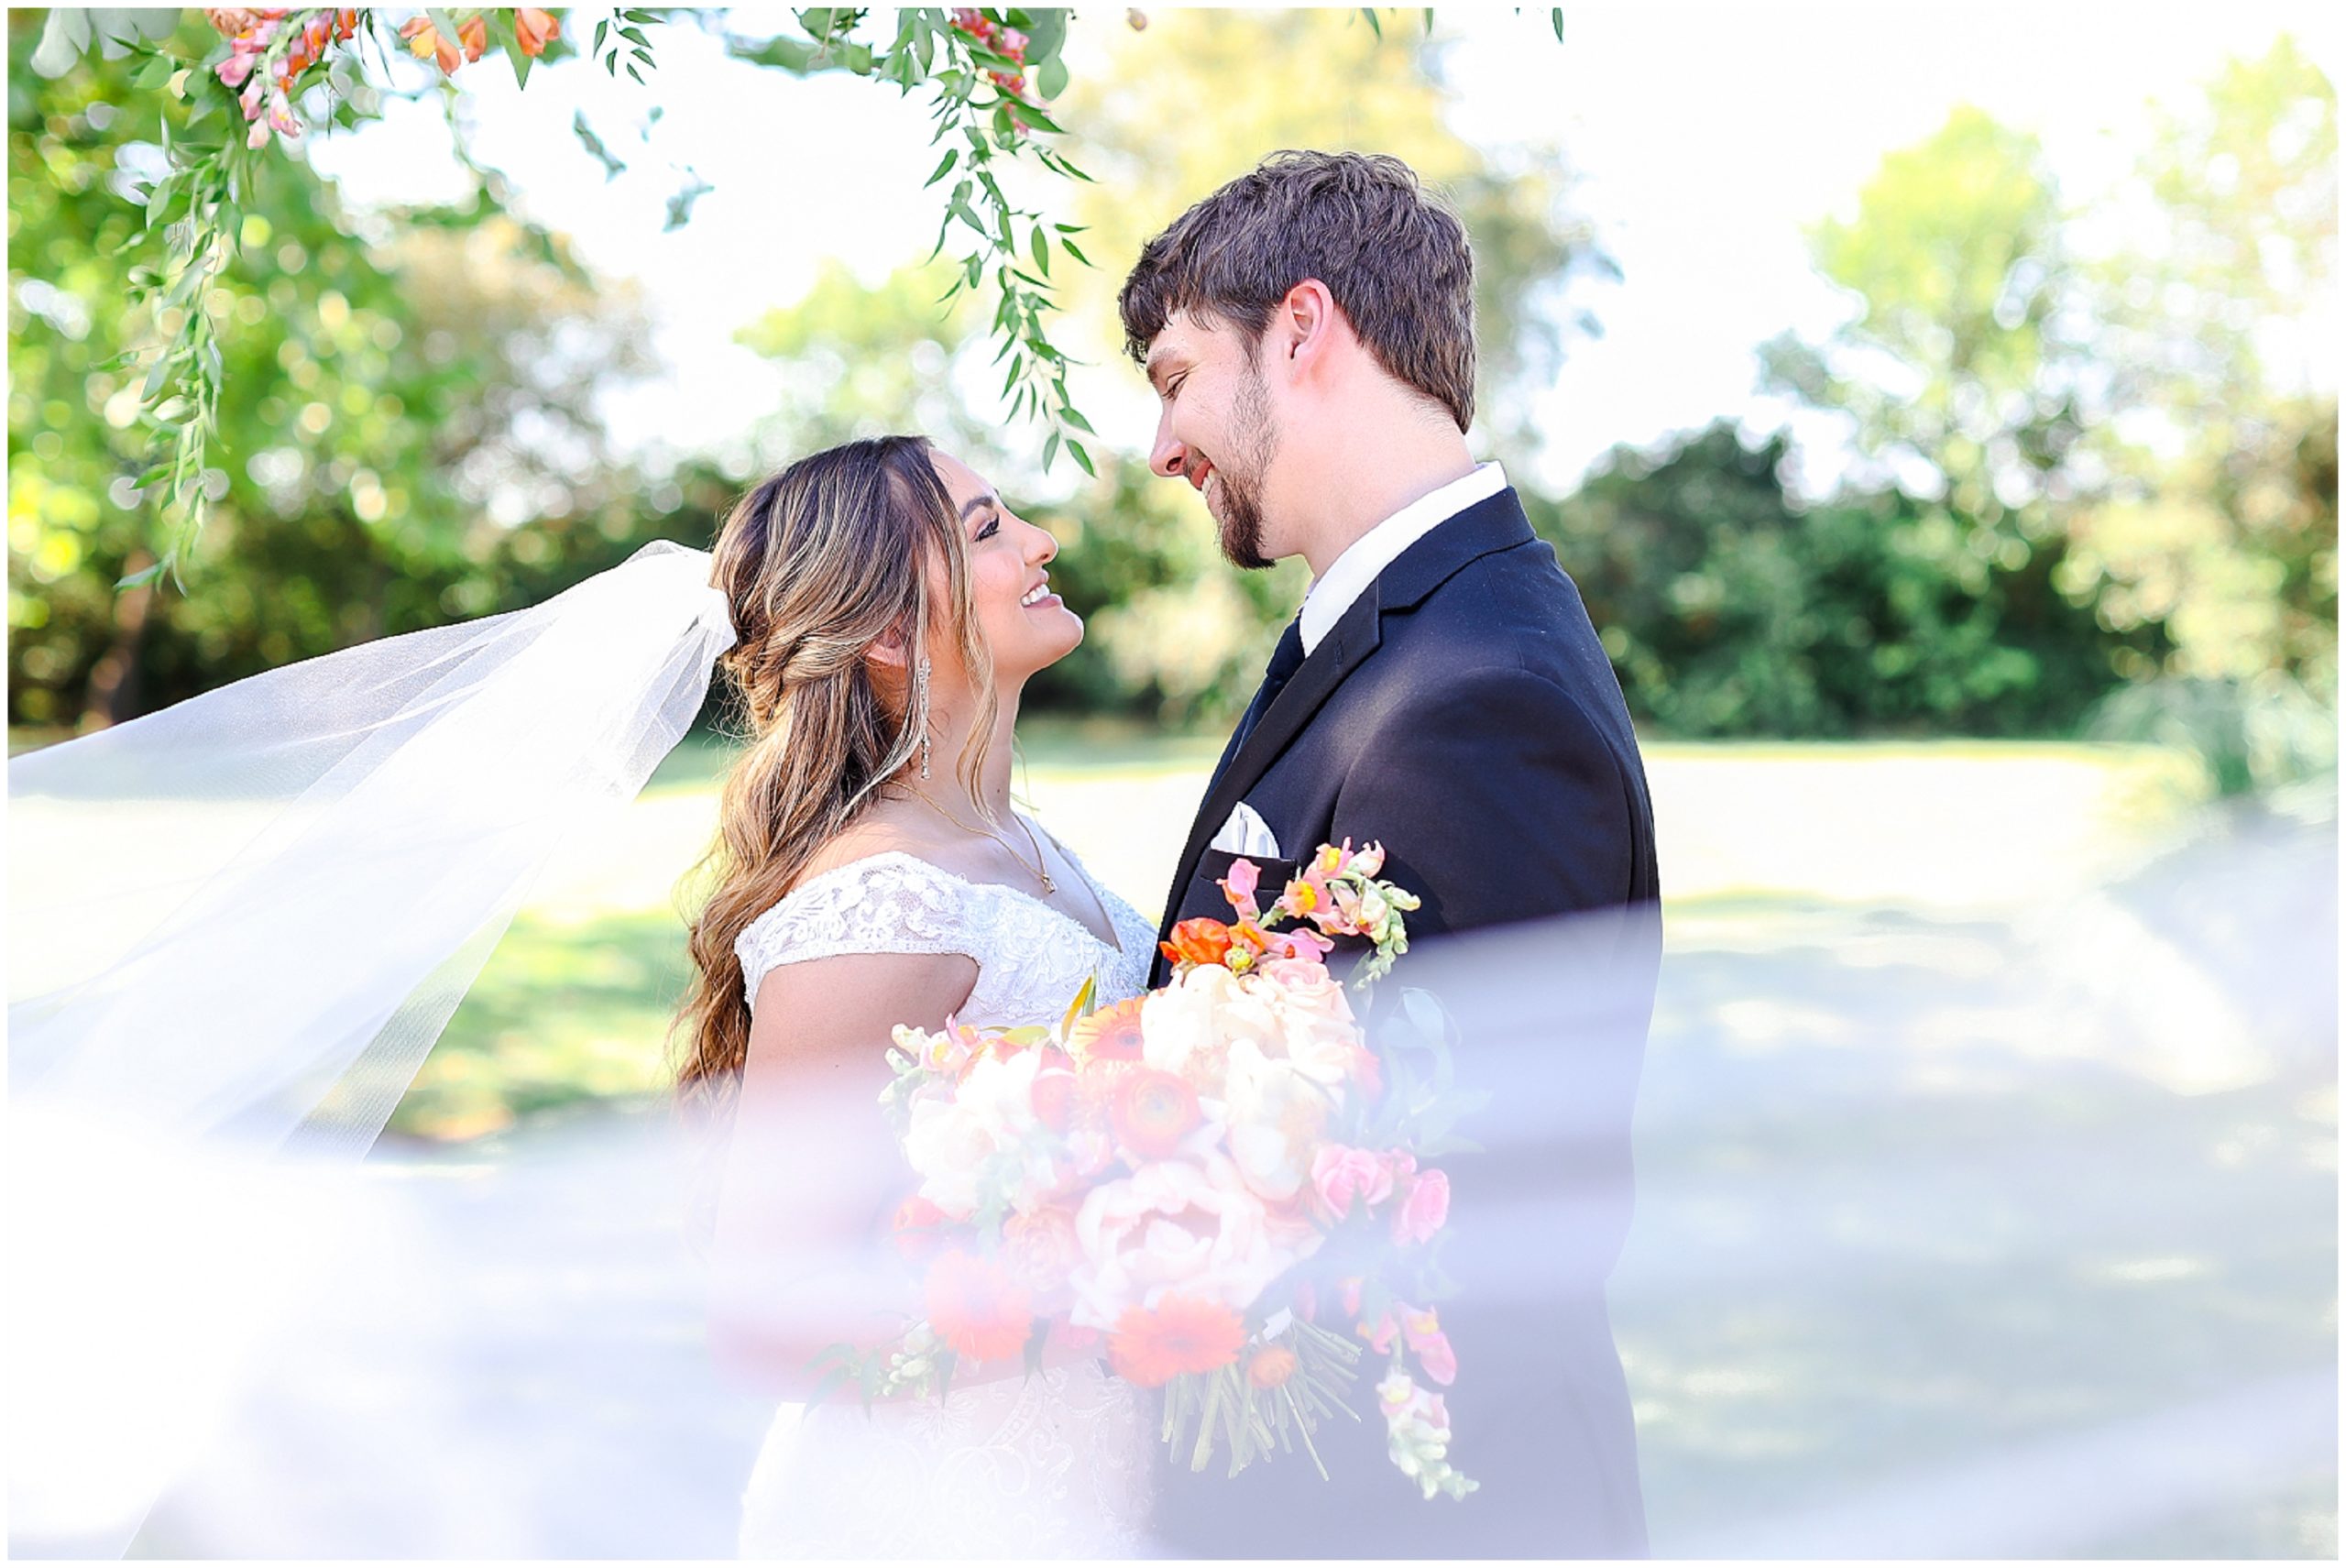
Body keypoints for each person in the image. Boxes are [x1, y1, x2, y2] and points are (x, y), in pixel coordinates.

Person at [1120, 148, 1661, 1556]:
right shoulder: (1395, 638)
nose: (1162, 447)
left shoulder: (1477, 694)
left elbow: (1456, 1240)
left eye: (1174, 376)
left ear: (1301, 330)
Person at [679, 436, 1160, 1557]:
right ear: (890, 632)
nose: (1042, 541)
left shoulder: (1020, 841)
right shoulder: (879, 906)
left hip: (1088, 1480)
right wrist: (1087, 1267)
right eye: (988, 529)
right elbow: (763, 1318)